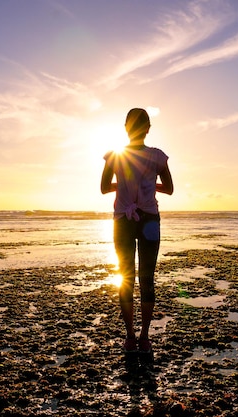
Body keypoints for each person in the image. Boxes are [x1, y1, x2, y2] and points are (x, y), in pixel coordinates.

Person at [100, 108, 174, 353]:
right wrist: (152, 186)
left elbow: (103, 188)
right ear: (148, 128)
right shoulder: (157, 157)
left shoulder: (115, 156)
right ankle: (144, 338)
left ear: (126, 128)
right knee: (147, 278)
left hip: (123, 220)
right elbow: (170, 188)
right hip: (149, 220)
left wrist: (121, 185)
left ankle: (129, 337)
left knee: (126, 277)